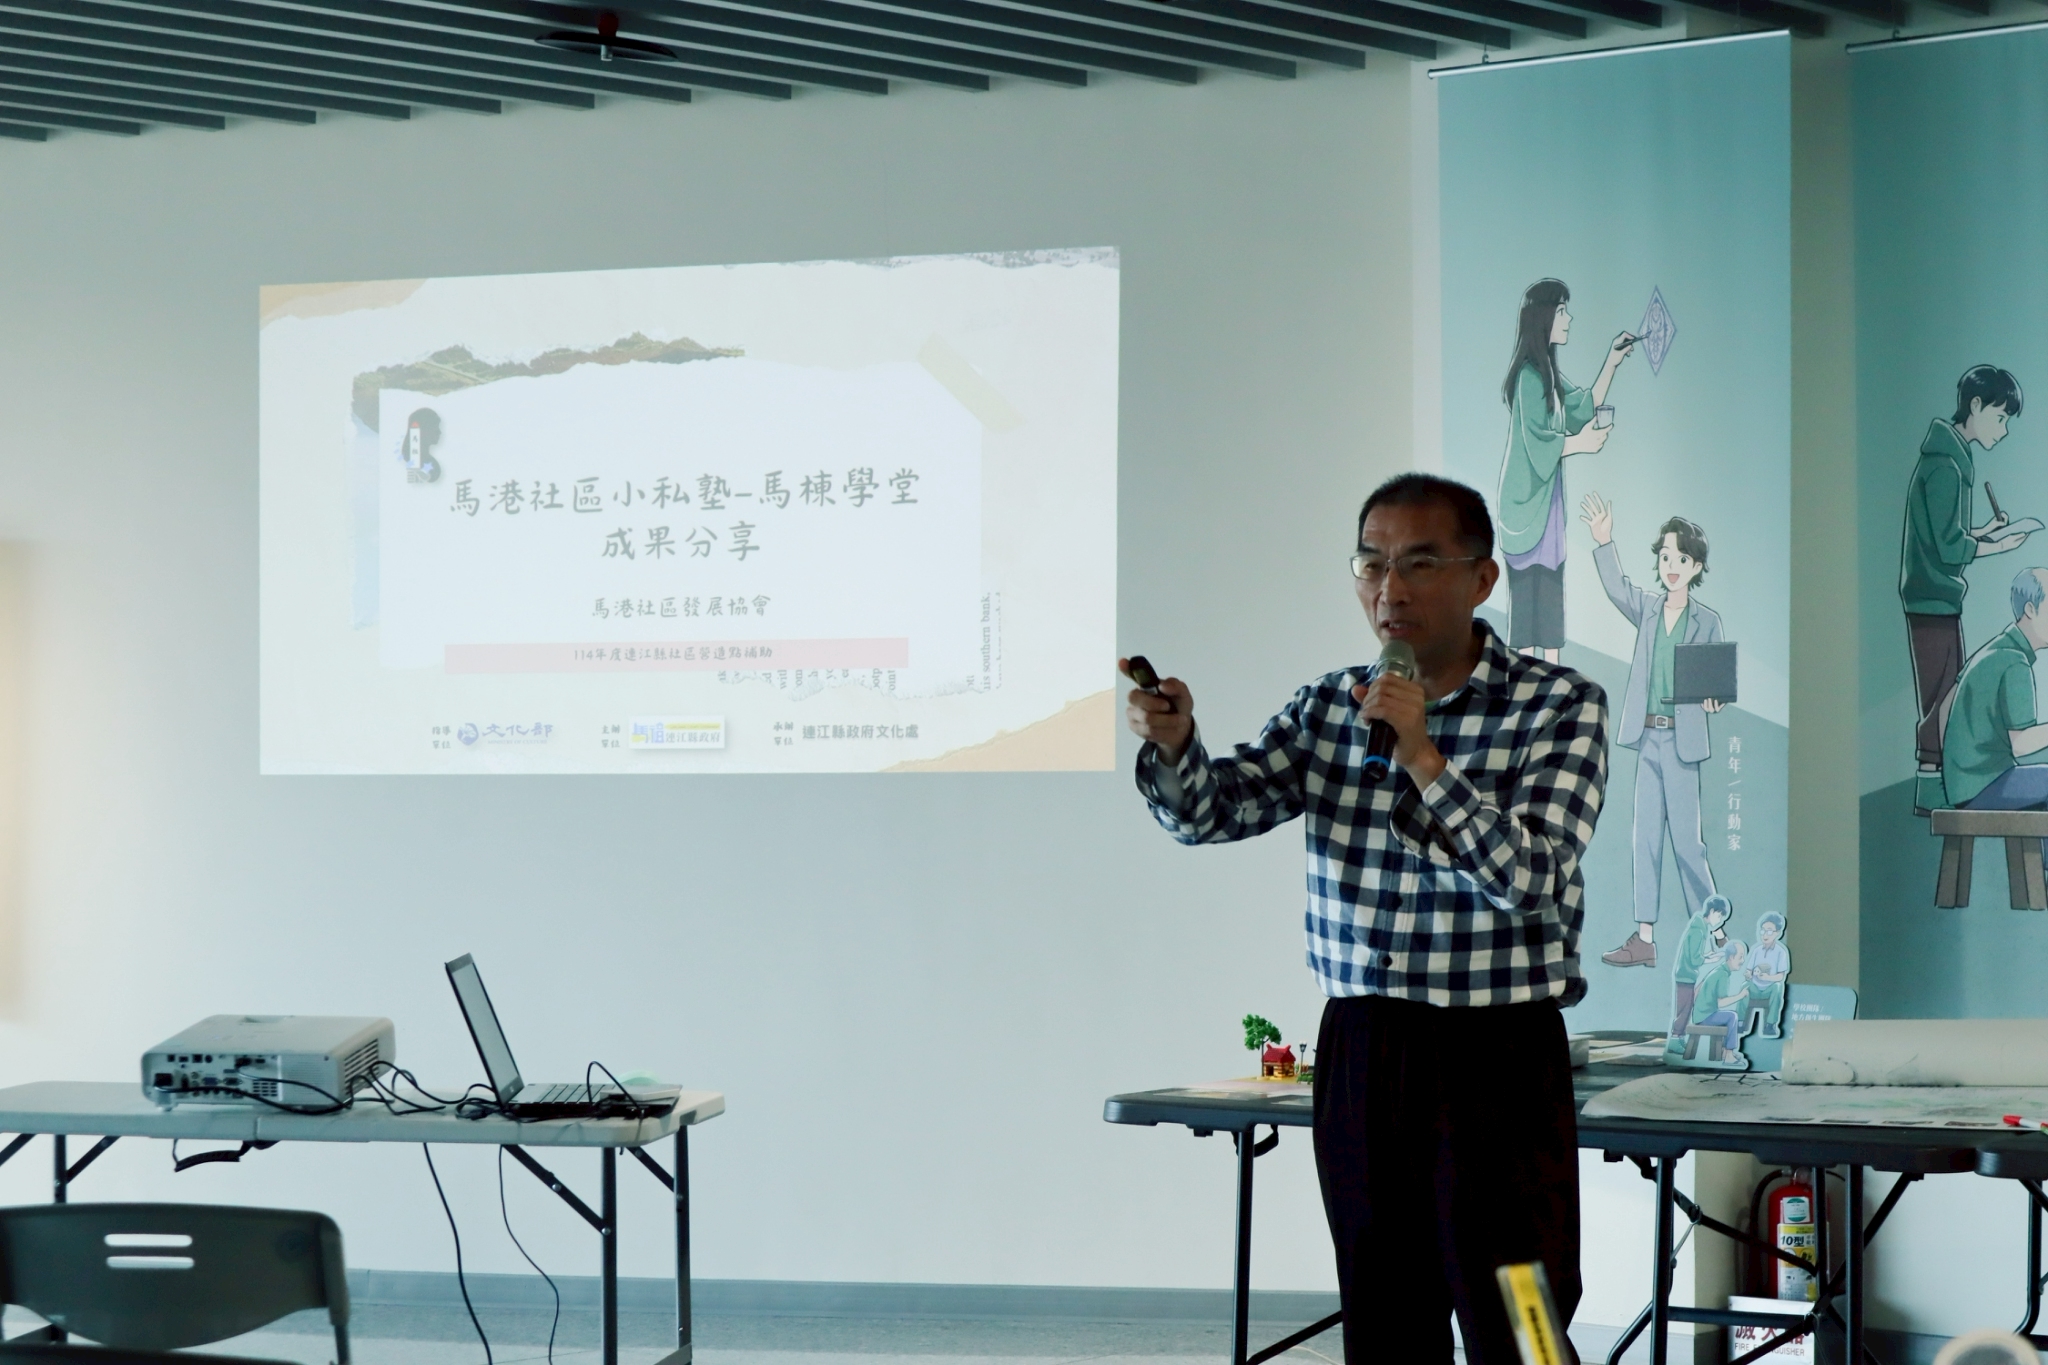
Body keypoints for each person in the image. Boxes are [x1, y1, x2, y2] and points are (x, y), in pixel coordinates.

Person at [1121, 472, 1609, 1365]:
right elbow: (1214, 811)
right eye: (1371, 564)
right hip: (1365, 1049)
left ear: (1482, 578)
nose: (1391, 589)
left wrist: (1423, 757)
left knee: (1525, 1319)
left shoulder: (1560, 704)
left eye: (1420, 563)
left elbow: (1534, 875)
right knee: (1386, 1314)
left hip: (1498, 1055)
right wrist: (1177, 747)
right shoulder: (1329, 706)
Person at [1580, 495, 1723, 969]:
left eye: (1681, 559)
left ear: (1696, 566)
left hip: (1683, 744)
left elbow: (1715, 684)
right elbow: (1616, 587)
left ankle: (1713, 933)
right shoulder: (1646, 608)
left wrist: (1714, 699)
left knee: (1688, 844)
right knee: (1645, 840)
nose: (1671, 566)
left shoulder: (1707, 621)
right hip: (1646, 739)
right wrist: (1604, 541)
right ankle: (1644, 938)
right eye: (1665, 557)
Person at [1900, 365, 2028, 812]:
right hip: (1931, 597)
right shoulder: (1946, 465)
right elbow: (1950, 546)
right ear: (1975, 405)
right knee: (1943, 696)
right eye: (2000, 417)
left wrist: (1985, 532)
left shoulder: (1950, 458)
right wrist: (1999, 545)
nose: (2003, 429)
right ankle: (1930, 787)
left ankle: (1936, 785)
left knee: (1946, 691)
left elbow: (1945, 534)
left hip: (1936, 594)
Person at [1495, 279, 1636, 662]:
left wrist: (1612, 361)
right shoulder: (1528, 378)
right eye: (1561, 311)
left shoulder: (1550, 376)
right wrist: (1581, 443)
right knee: (1527, 614)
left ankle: (1554, 683)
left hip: (1548, 511)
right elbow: (1539, 442)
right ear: (1543, 317)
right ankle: (1527, 688)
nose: (1569, 319)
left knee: (1551, 611)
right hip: (1526, 511)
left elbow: (1582, 407)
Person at [1942, 566, 2048, 815]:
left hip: (1962, 786)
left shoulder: (1993, 650)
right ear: (2030, 609)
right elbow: (2020, 744)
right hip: (1987, 784)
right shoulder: (2015, 662)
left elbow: (1945, 708)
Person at [1667, 894, 1732, 1055]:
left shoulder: (1700, 928)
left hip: (1687, 975)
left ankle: (1678, 1038)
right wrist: (1709, 959)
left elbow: (1695, 955)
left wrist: (1708, 956)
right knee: (1684, 1009)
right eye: (1719, 916)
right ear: (1712, 911)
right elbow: (1694, 959)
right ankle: (1675, 1039)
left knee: (1686, 1008)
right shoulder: (1698, 930)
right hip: (1685, 975)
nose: (1720, 920)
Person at [1687, 939, 1750, 1064]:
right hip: (1705, 1016)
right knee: (1732, 1016)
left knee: (1727, 1017)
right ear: (1731, 957)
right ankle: (1729, 1055)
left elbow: (1698, 988)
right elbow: (1720, 1003)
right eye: (1740, 957)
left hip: (1701, 1014)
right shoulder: (1722, 975)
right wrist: (1740, 995)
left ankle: (1724, 1052)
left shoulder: (1718, 970)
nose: (1742, 961)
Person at [1745, 913, 1789, 1040]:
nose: (1765, 934)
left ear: (1777, 933)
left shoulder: (1781, 952)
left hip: (1769, 988)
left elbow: (1780, 976)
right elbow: (1748, 970)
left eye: (1769, 931)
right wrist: (1749, 974)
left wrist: (1767, 978)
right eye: (1763, 930)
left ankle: (1770, 1025)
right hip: (1755, 987)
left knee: (1778, 988)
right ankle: (1741, 1022)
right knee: (1744, 986)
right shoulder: (1756, 950)